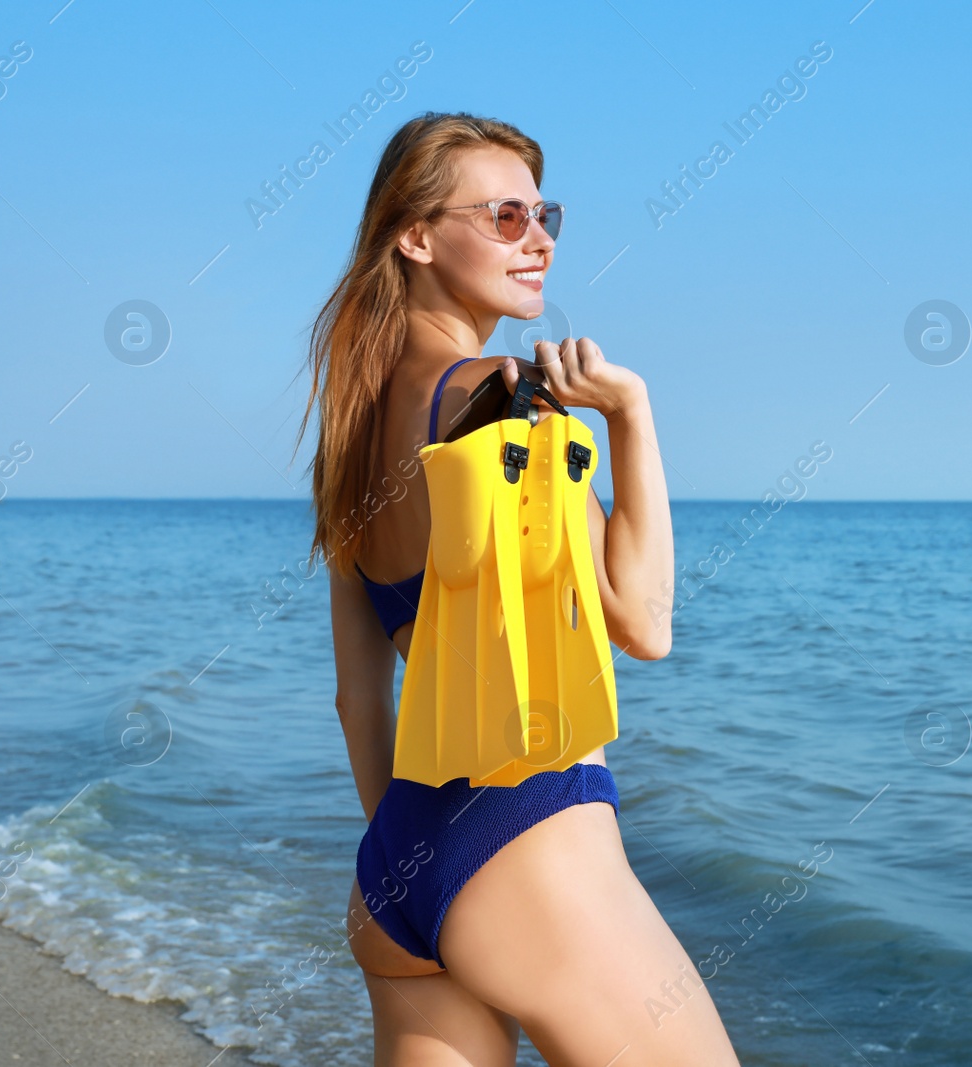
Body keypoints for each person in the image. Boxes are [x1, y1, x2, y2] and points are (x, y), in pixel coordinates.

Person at [297, 112, 740, 1066]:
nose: (537, 239)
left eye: (545, 215)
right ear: (415, 236)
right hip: (530, 843)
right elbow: (644, 620)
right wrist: (631, 416)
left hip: (396, 875)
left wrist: (419, 859)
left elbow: (356, 697)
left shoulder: (350, 436)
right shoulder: (499, 396)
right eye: (504, 215)